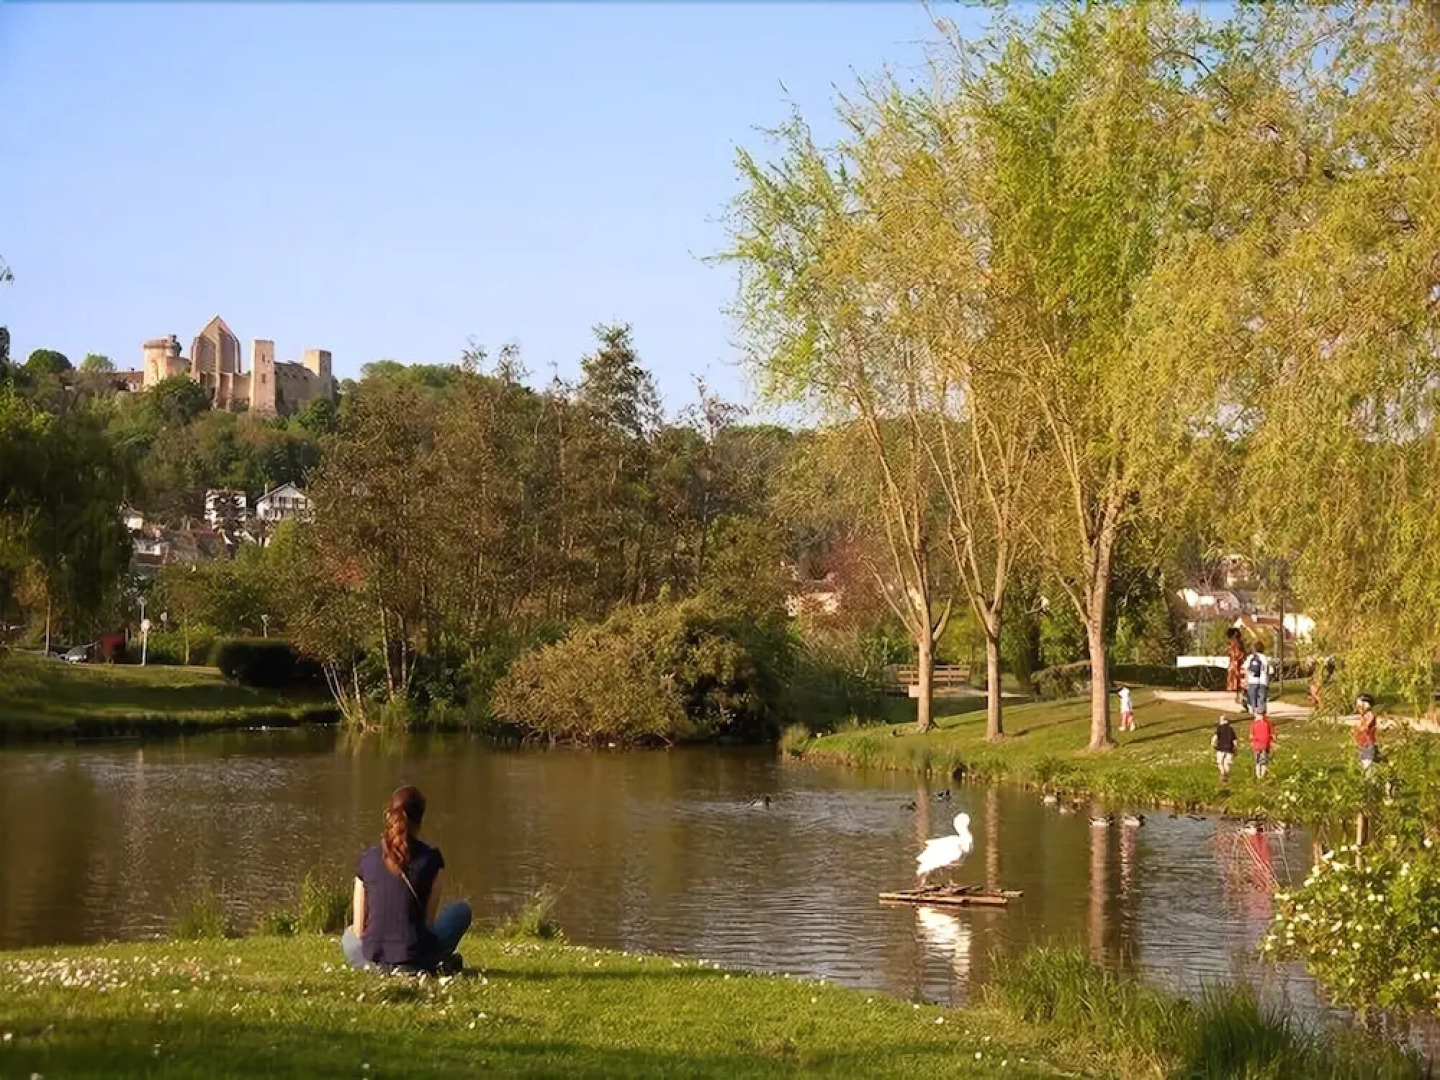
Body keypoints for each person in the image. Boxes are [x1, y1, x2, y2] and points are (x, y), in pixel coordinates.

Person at [342, 785, 472, 974]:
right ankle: (426, 966)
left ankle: (377, 968)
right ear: (421, 818)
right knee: (461, 910)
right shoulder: (432, 860)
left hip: (372, 956)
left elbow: (359, 929)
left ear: (389, 815)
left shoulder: (367, 859)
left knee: (348, 936)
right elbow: (427, 924)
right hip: (415, 957)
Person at [1354, 694, 1379, 771]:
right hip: (1363, 744)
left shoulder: (1369, 715)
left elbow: (1364, 728)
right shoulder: (1364, 716)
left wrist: (1357, 728)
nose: (1358, 708)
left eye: (1359, 705)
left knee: (1367, 764)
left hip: (1367, 744)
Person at [1244, 643, 1270, 715]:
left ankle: (1254, 713)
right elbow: (1267, 670)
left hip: (1252, 681)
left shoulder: (1250, 657)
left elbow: (1246, 669)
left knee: (1253, 698)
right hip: (1263, 681)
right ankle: (1261, 714)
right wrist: (1268, 682)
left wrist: (1246, 680)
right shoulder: (1264, 657)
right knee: (1262, 699)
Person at [1212, 715, 1237, 782]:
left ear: (1223, 720)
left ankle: (1223, 773)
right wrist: (1235, 748)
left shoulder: (1219, 728)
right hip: (1229, 748)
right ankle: (1227, 775)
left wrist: (1212, 743)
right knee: (1226, 763)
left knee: (1220, 762)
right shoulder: (1231, 729)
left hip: (1221, 748)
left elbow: (1215, 736)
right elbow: (1234, 740)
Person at [1250, 708, 1274, 780]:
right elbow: (1273, 735)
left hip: (1257, 745)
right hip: (1265, 745)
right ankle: (1262, 777)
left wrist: (1253, 741)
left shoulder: (1254, 724)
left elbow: (1251, 736)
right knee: (1264, 762)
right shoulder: (1268, 723)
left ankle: (1258, 776)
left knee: (1257, 762)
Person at [1225, 628, 1246, 707]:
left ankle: (1240, 697)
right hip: (1236, 664)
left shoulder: (1234, 642)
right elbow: (1237, 653)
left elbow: (1237, 653)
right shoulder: (1235, 642)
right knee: (1239, 681)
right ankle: (1240, 697)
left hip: (1235, 664)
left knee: (1239, 681)